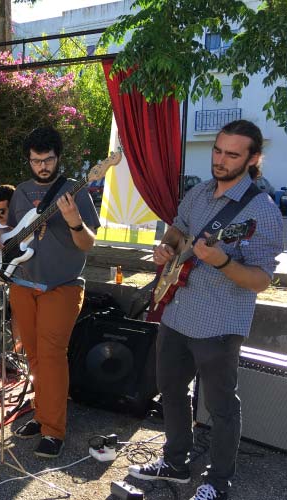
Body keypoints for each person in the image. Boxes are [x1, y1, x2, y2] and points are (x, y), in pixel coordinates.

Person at [128, 120, 283, 500]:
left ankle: (217, 482)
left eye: (232, 154)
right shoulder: (198, 193)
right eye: (217, 150)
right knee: (170, 390)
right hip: (178, 310)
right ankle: (175, 463)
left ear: (253, 159)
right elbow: (177, 231)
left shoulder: (262, 212)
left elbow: (261, 280)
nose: (220, 160)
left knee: (221, 406)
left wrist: (222, 261)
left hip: (219, 321)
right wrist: (167, 249)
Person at [0, 125, 100, 458]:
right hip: (22, 284)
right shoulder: (21, 191)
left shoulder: (76, 191)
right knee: (33, 356)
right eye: (36, 161)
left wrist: (74, 220)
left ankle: (53, 430)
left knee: (51, 357)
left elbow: (87, 243)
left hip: (60, 286)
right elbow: (15, 231)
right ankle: (41, 414)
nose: (42, 166)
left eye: (48, 160)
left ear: (58, 158)